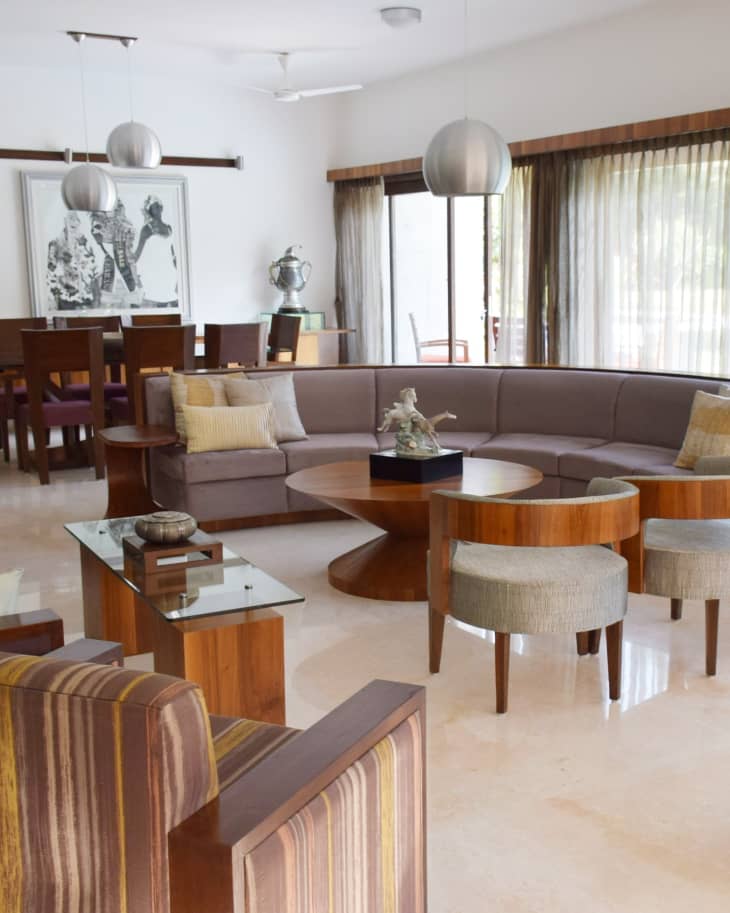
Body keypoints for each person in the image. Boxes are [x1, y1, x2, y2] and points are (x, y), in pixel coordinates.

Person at [47, 212, 99, 310]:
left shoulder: (85, 244)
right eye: (71, 218)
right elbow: (50, 273)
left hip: (86, 300)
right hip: (65, 299)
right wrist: (56, 294)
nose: (74, 221)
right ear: (65, 221)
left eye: (76, 219)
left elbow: (93, 269)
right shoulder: (55, 244)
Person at [134, 195, 178, 307]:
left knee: (174, 302)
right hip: (155, 272)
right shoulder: (147, 229)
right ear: (150, 210)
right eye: (154, 207)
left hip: (169, 272)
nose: (157, 209)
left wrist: (178, 270)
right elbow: (138, 253)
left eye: (159, 206)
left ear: (162, 208)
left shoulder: (169, 228)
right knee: (159, 304)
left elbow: (173, 252)